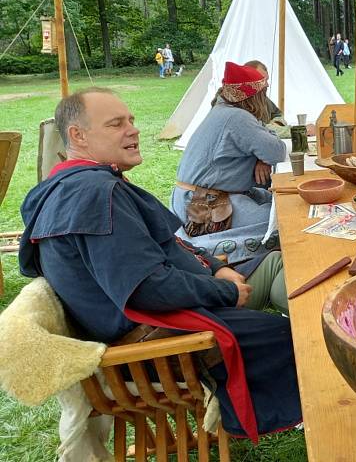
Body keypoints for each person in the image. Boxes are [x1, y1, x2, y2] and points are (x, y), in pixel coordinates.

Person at [18, 87, 302, 440]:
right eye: (116, 124)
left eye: (132, 120)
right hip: (156, 344)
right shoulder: (92, 195)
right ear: (78, 135)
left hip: (166, 319)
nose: (133, 130)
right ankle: (317, 411)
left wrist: (215, 266)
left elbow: (171, 244)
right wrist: (224, 290)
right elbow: (148, 289)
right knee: (295, 338)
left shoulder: (84, 185)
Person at [171, 62, 287, 263]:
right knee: (283, 221)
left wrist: (261, 156)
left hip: (205, 196)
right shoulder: (237, 117)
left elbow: (264, 141)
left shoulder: (223, 111)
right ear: (254, 96)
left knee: (281, 203)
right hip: (206, 204)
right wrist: (264, 154)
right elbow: (276, 151)